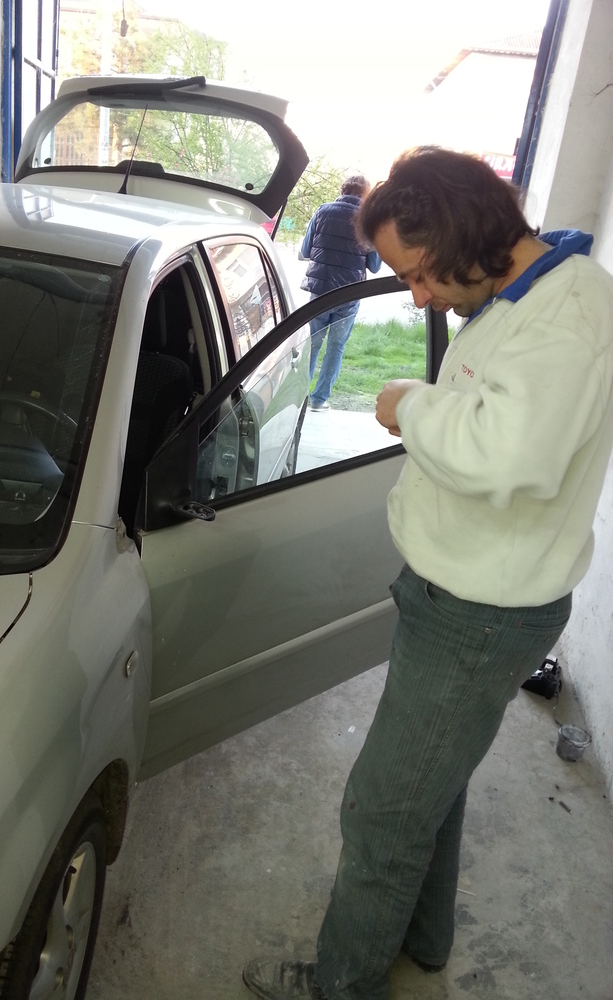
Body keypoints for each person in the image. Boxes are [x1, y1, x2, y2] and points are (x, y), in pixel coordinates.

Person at [243, 146, 613, 1000]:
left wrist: (411, 404)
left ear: (462, 232)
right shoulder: (519, 293)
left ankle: (339, 986)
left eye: (417, 274)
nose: (415, 298)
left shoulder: (566, 315)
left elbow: (511, 455)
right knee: (427, 788)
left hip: (481, 612)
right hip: (460, 593)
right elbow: (501, 415)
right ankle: (424, 939)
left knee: (382, 811)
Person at [299, 175, 382, 412]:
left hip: (320, 292)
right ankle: (319, 400)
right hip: (348, 294)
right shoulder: (367, 220)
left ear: (342, 190)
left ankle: (300, 398)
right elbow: (374, 266)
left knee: (312, 345)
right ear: (365, 194)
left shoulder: (322, 211)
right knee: (336, 347)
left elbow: (306, 250)